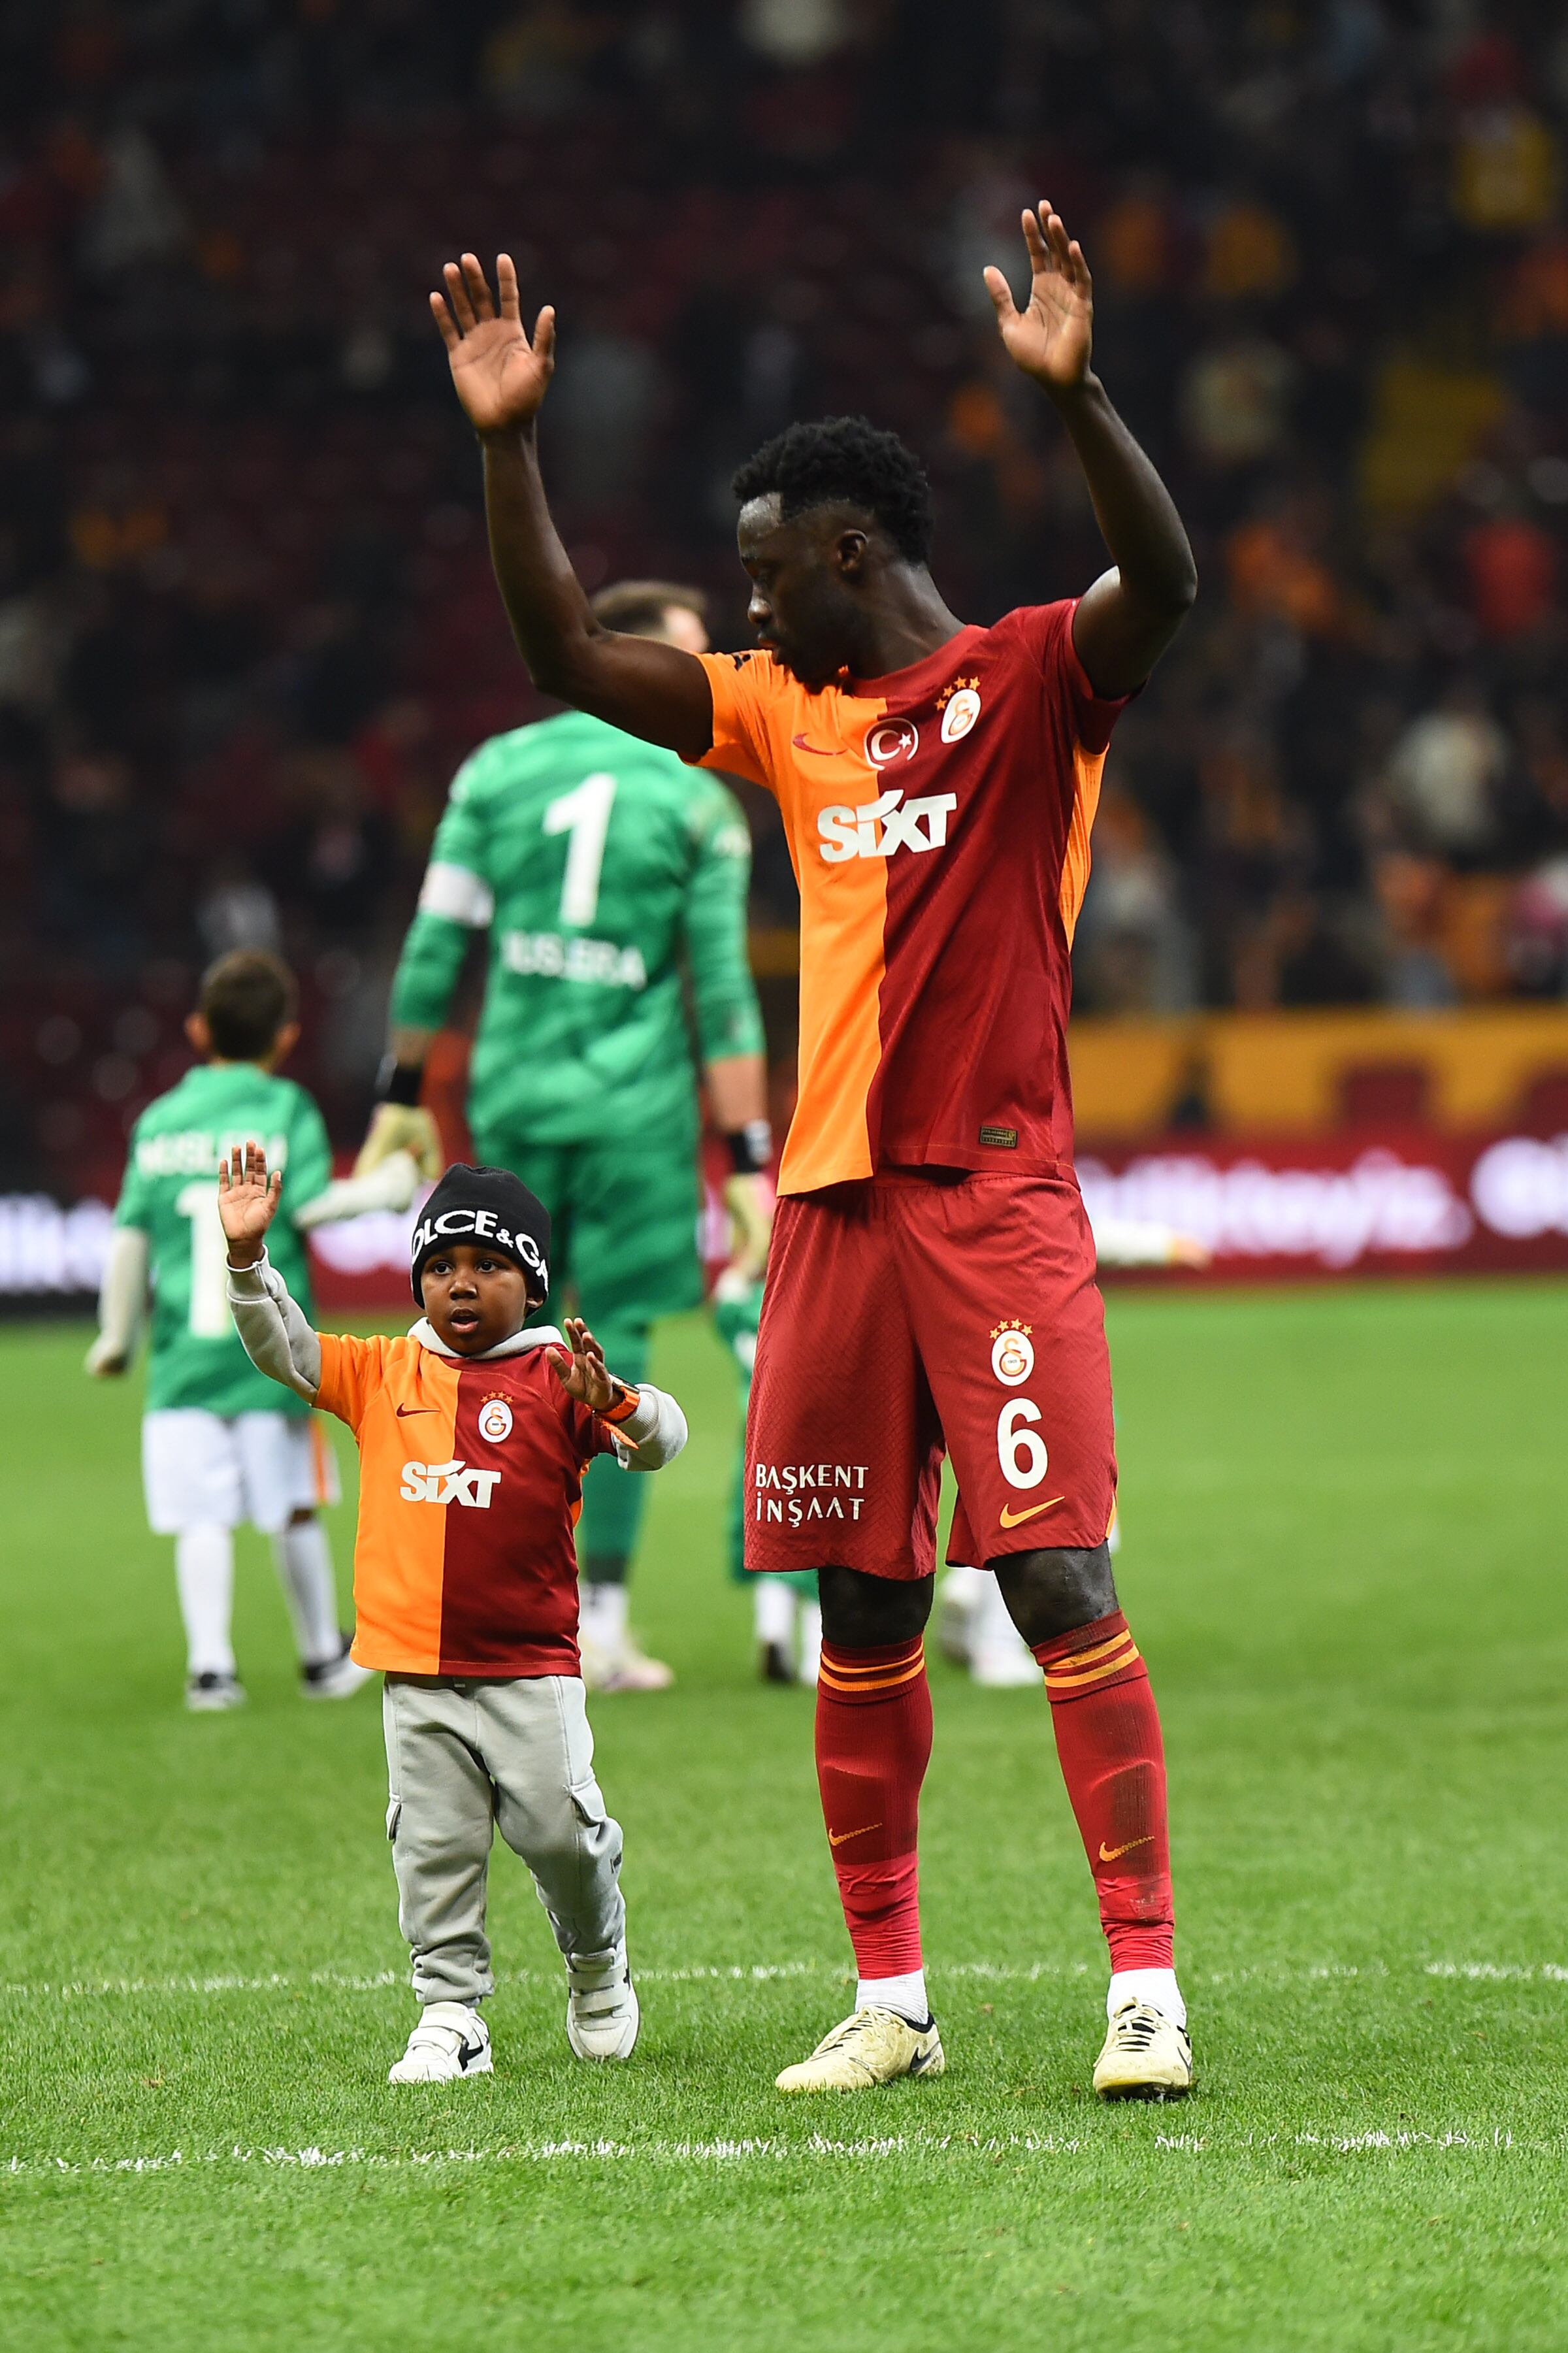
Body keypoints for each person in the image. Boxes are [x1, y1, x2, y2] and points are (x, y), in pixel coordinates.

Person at [427, 198, 1198, 2099]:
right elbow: (564, 652)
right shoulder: (784, 719)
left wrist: (1077, 396)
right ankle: (889, 2000)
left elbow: (1164, 581)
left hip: (995, 1200)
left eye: (768, 572)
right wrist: (509, 446)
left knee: (1057, 1585)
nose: (749, 607)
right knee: (859, 1609)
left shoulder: (1031, 680)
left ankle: (1143, 1991)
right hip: (831, 1218)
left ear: (851, 552)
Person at [357, 578, 770, 1694]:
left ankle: (451, 1607)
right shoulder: (697, 806)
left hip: (515, 1102)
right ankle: (610, 1627)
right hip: (638, 1116)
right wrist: (748, 1158)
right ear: (634, 659)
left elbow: (436, 941)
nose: (710, 685)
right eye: (692, 660)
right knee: (614, 1346)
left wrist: (401, 1089)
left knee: (472, 1344)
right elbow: (723, 993)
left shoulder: (493, 773)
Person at [218, 1147, 688, 2082]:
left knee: (561, 1835)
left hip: (532, 1669)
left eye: (488, 1264)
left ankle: (598, 1963)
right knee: (432, 1847)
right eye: (440, 1265)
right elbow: (286, 1348)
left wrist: (621, 1404)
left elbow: (663, 1439)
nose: (460, 1283)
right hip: (416, 1673)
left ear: (534, 1282)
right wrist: (246, 1260)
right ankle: (450, 2011)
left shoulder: (561, 1375)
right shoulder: (384, 1369)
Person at [87, 950, 417, 1710]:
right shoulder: (285, 1109)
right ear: (287, 1036)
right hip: (270, 1358)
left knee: (200, 1517)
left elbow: (130, 1236)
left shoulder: (159, 1121)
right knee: (293, 1504)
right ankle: (320, 1657)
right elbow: (308, 1206)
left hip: (182, 1361)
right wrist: (391, 1186)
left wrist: (115, 1337)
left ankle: (211, 1669)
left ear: (198, 1030)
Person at [943, 1215, 1211, 1686]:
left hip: (990, 1359)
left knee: (1010, 1499)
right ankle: (997, 1646)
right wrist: (1165, 1245)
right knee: (1069, 1519)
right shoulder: (1030, 1201)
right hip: (1052, 1364)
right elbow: (1085, 1228)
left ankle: (972, 1589)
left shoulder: (965, 1215)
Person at [711, 1267, 821, 1685]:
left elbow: (723, 1303)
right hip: (812, 1439)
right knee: (821, 1541)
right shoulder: (807, 1297)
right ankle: (817, 1653)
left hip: (756, 1444)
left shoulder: (744, 1306)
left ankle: (772, 1630)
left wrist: (742, 1262)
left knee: (767, 1539)